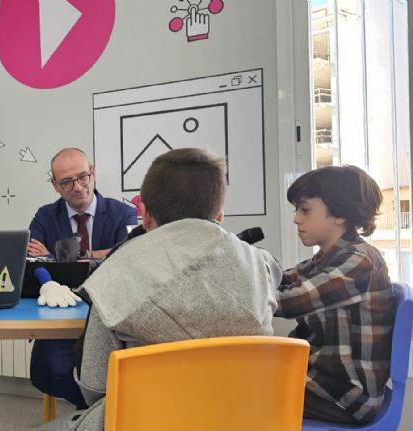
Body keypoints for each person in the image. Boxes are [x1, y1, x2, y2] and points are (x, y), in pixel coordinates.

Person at [42, 148, 281, 430]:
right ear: (220, 214)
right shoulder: (263, 265)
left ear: (145, 217)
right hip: (243, 419)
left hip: (144, 420)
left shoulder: (113, 274)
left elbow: (93, 385)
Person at [275, 165, 396, 425]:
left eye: (305, 210)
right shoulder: (327, 258)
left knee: (236, 393)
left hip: (346, 397)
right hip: (325, 384)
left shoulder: (360, 260)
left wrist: (239, 294)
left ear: (340, 213)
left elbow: (290, 300)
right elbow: (281, 278)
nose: (297, 219)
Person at [29, 148, 137, 409]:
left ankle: (106, 413)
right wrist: (103, 253)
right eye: (66, 181)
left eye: (83, 177)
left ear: (94, 173)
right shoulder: (45, 215)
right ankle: (107, 410)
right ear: (55, 185)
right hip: (61, 312)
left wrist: (64, 253)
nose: (77, 187)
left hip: (110, 315)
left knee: (127, 374)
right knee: (46, 372)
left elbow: (127, 253)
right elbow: (33, 260)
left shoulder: (123, 213)